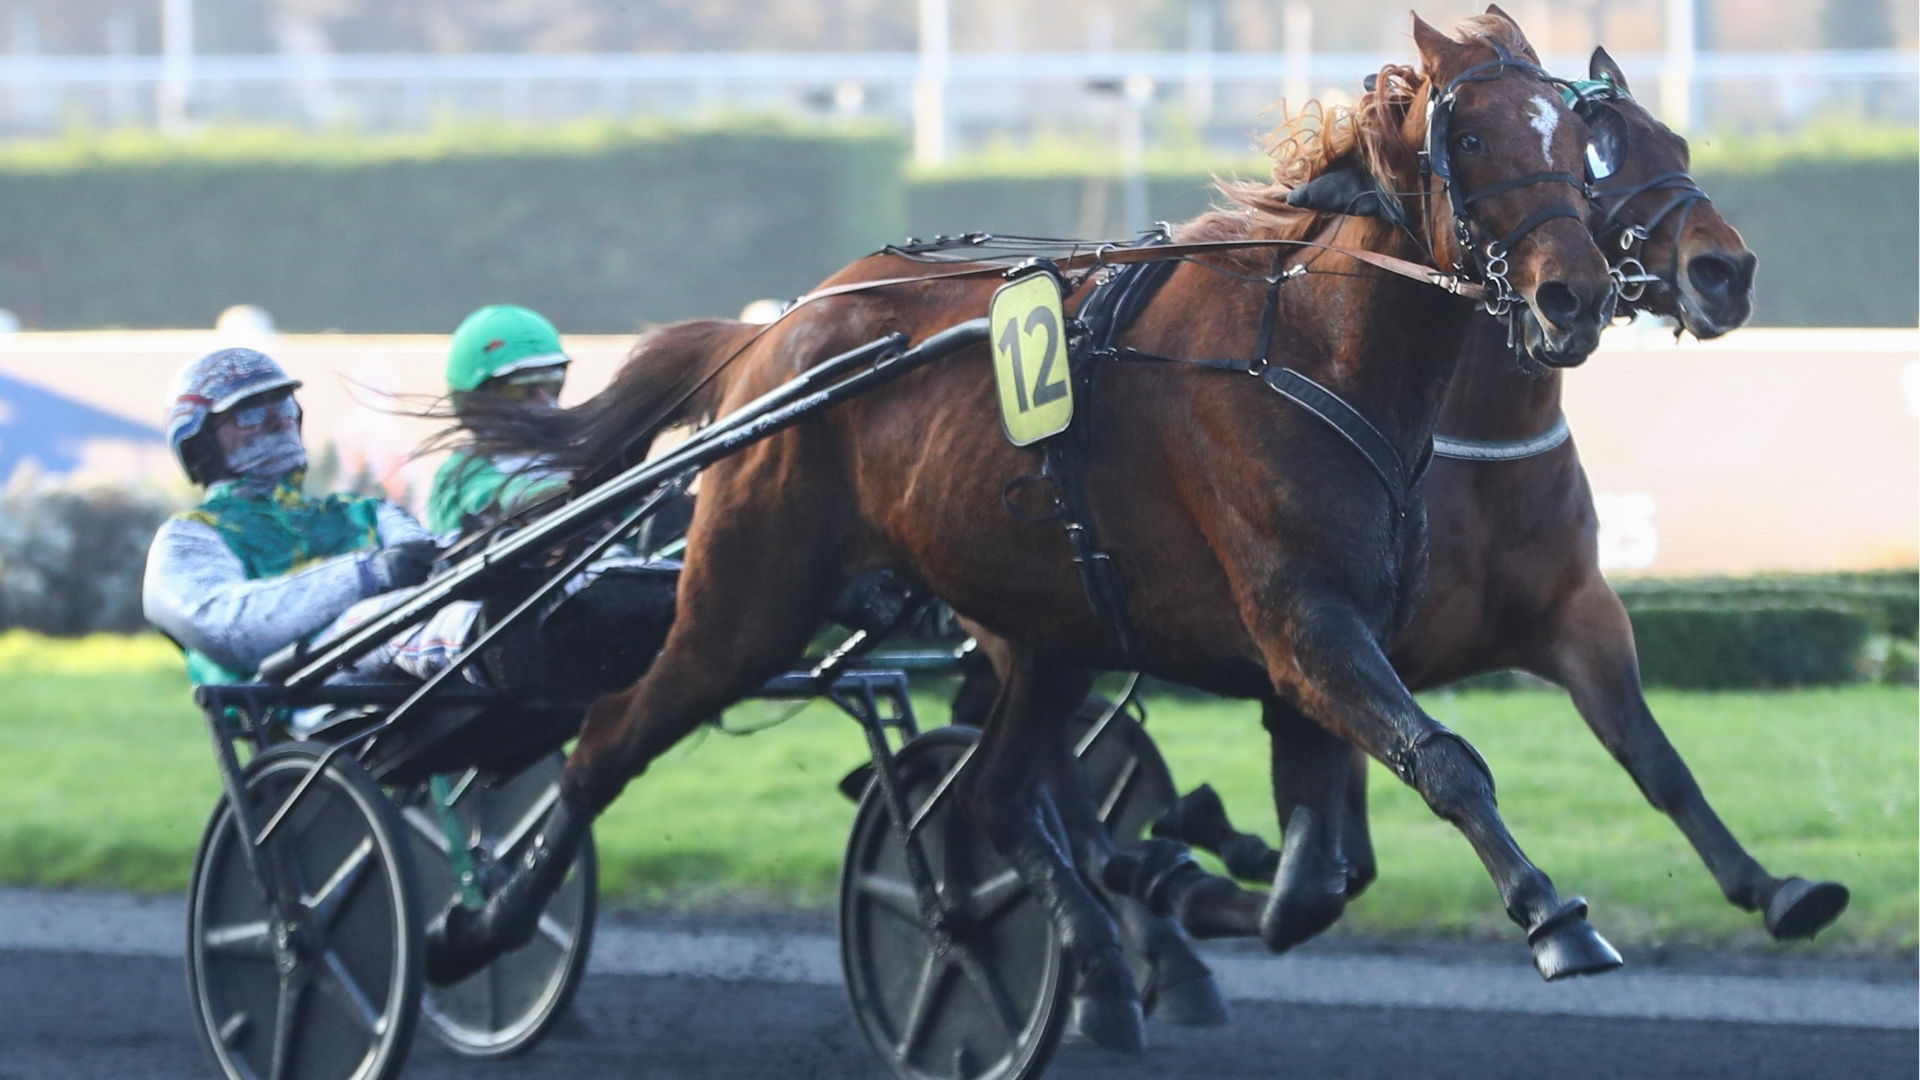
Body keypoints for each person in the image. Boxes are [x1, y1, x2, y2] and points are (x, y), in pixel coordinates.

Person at [143, 347, 438, 683]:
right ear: (201, 445)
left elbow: (435, 562)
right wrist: (366, 574)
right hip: (295, 698)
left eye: (284, 406)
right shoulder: (189, 537)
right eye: (251, 413)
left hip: (415, 686)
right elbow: (228, 630)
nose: (278, 421)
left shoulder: (367, 512)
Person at [427, 304, 573, 534]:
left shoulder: (575, 455)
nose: (544, 399)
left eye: (553, 383)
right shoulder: (460, 473)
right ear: (474, 399)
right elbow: (502, 497)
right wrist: (581, 493)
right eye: (520, 388)